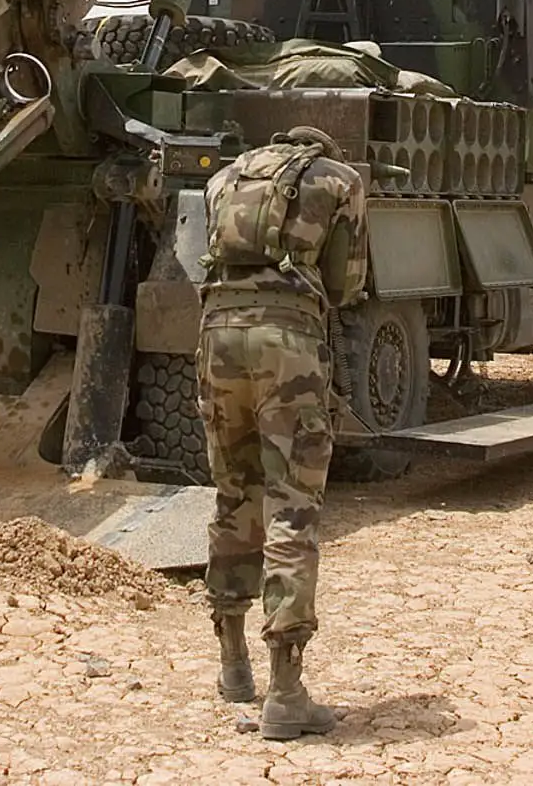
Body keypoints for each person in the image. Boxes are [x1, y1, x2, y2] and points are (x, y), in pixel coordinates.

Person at [196, 124, 369, 741]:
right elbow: (346, 286)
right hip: (287, 344)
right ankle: (287, 693)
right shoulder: (339, 181)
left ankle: (233, 666)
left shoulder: (223, 178)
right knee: (291, 507)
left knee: (233, 495)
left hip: (217, 336)